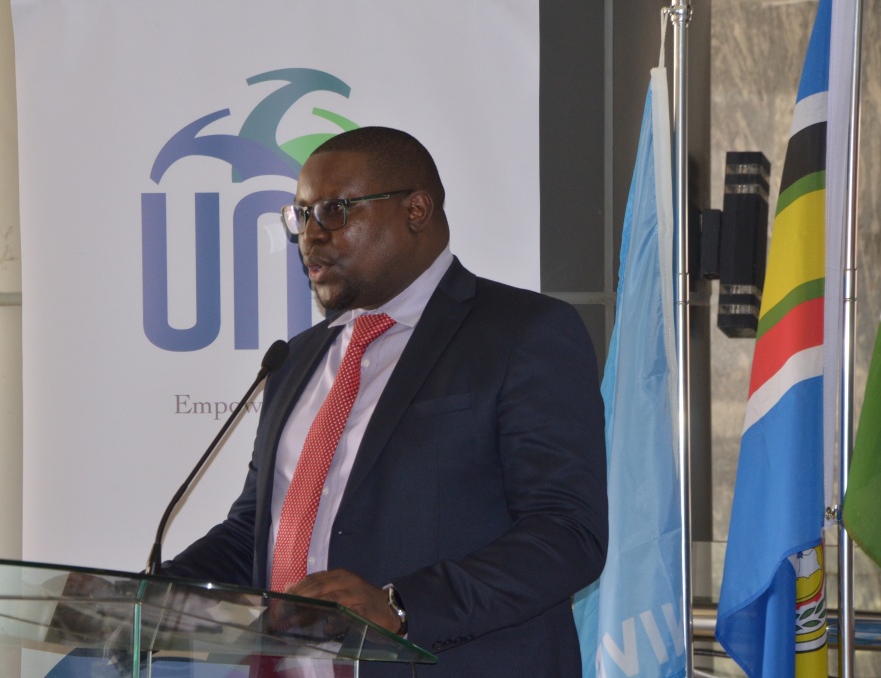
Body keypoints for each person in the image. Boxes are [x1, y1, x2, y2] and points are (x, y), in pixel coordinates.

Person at [163, 126, 608, 676]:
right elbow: (256, 533)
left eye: (334, 211)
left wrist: (401, 607)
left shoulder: (523, 333)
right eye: (300, 215)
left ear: (416, 210)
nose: (310, 236)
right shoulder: (295, 360)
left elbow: (567, 533)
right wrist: (152, 593)